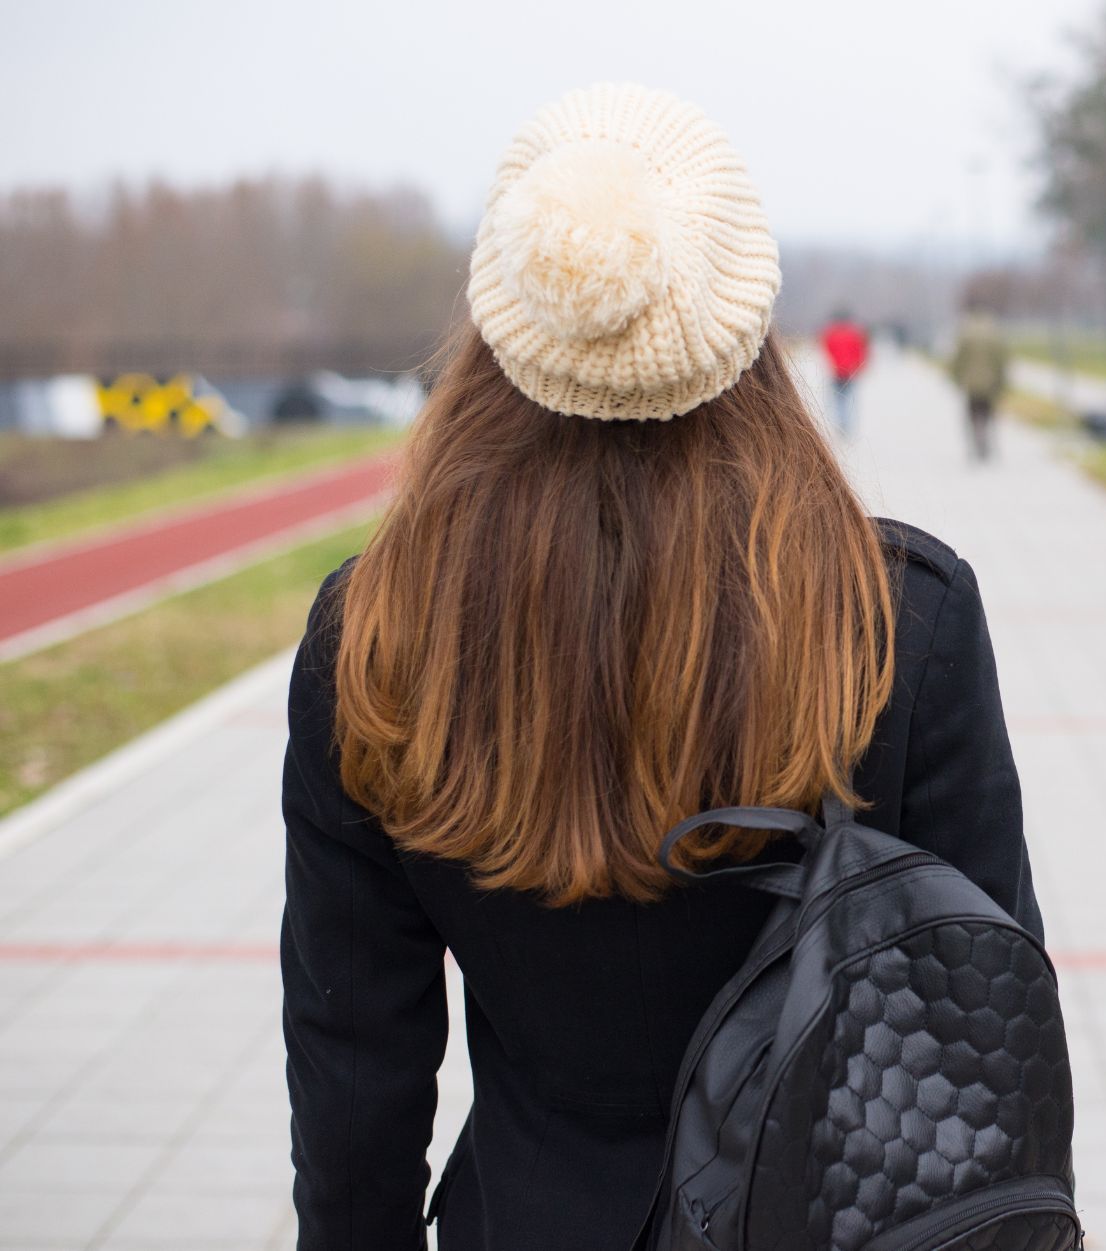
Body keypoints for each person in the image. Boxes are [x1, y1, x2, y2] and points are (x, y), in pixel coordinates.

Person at [280, 84, 1039, 1251]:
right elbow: (990, 1030)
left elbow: (353, 1078)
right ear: (744, 319)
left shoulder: (379, 639)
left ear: (497, 322)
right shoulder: (890, 620)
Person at [950, 306, 1009, 462]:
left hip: (971, 381)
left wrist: (956, 376)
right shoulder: (993, 332)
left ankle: (977, 433)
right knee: (987, 410)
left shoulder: (966, 332)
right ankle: (984, 433)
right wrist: (1002, 378)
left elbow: (958, 357)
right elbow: (1001, 357)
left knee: (973, 411)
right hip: (990, 380)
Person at [818, 308, 869, 437]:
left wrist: (833, 363)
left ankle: (841, 423)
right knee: (850, 399)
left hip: (836, 372)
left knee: (838, 399)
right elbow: (861, 352)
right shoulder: (855, 334)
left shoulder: (831, 334)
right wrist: (859, 367)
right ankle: (847, 424)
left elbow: (826, 349)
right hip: (851, 372)